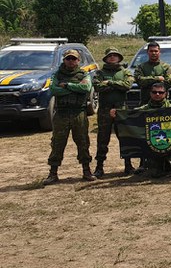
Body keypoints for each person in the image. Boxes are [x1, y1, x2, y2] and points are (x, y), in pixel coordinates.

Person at [43, 49, 95, 185]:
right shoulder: (57, 75)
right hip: (62, 113)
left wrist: (67, 85)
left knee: (83, 142)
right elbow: (54, 90)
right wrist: (75, 88)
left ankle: (86, 170)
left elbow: (86, 88)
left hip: (79, 113)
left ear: (78, 60)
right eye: (68, 59)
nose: (71, 61)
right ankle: (53, 173)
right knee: (57, 143)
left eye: (74, 59)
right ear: (64, 60)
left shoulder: (84, 74)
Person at [93, 48, 134, 178]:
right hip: (105, 109)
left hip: (121, 109)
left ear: (119, 58)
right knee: (103, 138)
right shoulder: (100, 72)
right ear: (106, 58)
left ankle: (128, 165)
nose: (112, 57)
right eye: (110, 56)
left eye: (115, 55)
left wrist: (110, 82)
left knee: (125, 137)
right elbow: (97, 87)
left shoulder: (125, 72)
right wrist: (117, 86)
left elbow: (127, 85)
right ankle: (99, 167)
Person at [133, 82, 171, 177]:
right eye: (154, 92)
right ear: (150, 93)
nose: (157, 94)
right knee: (154, 173)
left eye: (160, 92)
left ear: (166, 93)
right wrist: (117, 113)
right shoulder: (144, 109)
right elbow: (130, 114)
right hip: (153, 147)